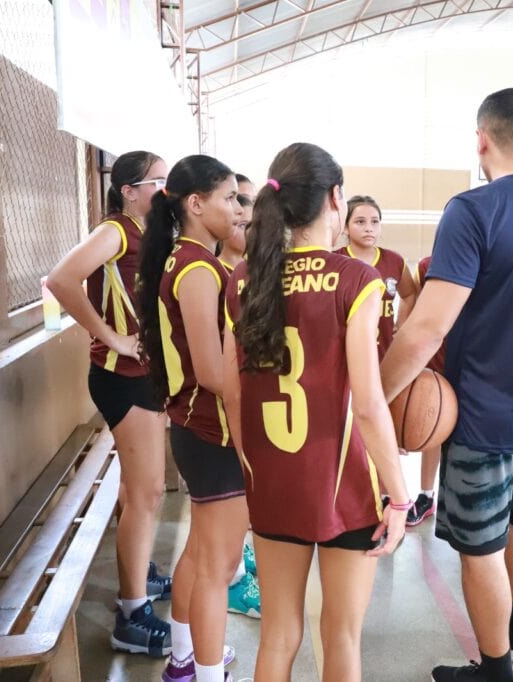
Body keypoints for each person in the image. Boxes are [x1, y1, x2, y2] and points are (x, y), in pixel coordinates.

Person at [380, 88, 513, 682]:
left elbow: (427, 328)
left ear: (481, 139)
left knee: (481, 549)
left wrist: (375, 400)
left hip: (483, 416)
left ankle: (495, 670)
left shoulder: (472, 211)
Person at [222, 143, 409, 682]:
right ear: (334, 199)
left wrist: (251, 463)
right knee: (341, 637)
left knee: (278, 635)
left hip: (274, 479)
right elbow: (370, 404)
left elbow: (234, 391)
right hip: (343, 481)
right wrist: (399, 494)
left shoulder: (242, 279)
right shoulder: (357, 279)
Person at [46, 151, 173, 656]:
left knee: (138, 488)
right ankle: (131, 616)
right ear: (128, 189)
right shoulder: (117, 230)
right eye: (157, 182)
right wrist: (109, 337)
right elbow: (59, 280)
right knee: (147, 493)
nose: (165, 189)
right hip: (124, 376)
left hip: (141, 376)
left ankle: (138, 572)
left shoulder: (144, 232)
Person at [136, 155, 246, 682]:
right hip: (211, 432)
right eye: (230, 197)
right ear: (196, 204)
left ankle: (184, 660)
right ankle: (207, 672)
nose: (238, 208)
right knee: (219, 568)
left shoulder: (193, 260)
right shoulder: (199, 268)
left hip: (196, 429)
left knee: (202, 554)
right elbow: (210, 368)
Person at [217, 192, 262, 620]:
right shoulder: (223, 276)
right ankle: (232, 581)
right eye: (240, 221)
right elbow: (223, 375)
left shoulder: (243, 275)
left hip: (231, 411)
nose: (244, 226)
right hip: (216, 417)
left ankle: (237, 566)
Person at [337, 195, 419, 359]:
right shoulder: (336, 262)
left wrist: (401, 325)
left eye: (375, 222)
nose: (369, 228)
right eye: (360, 222)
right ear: (345, 227)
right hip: (345, 354)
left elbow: (409, 294)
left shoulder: (394, 261)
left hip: (384, 353)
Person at [401, 255, 447, 527]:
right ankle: (426, 495)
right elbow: (418, 312)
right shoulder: (426, 266)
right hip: (438, 356)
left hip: (478, 359)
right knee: (433, 426)